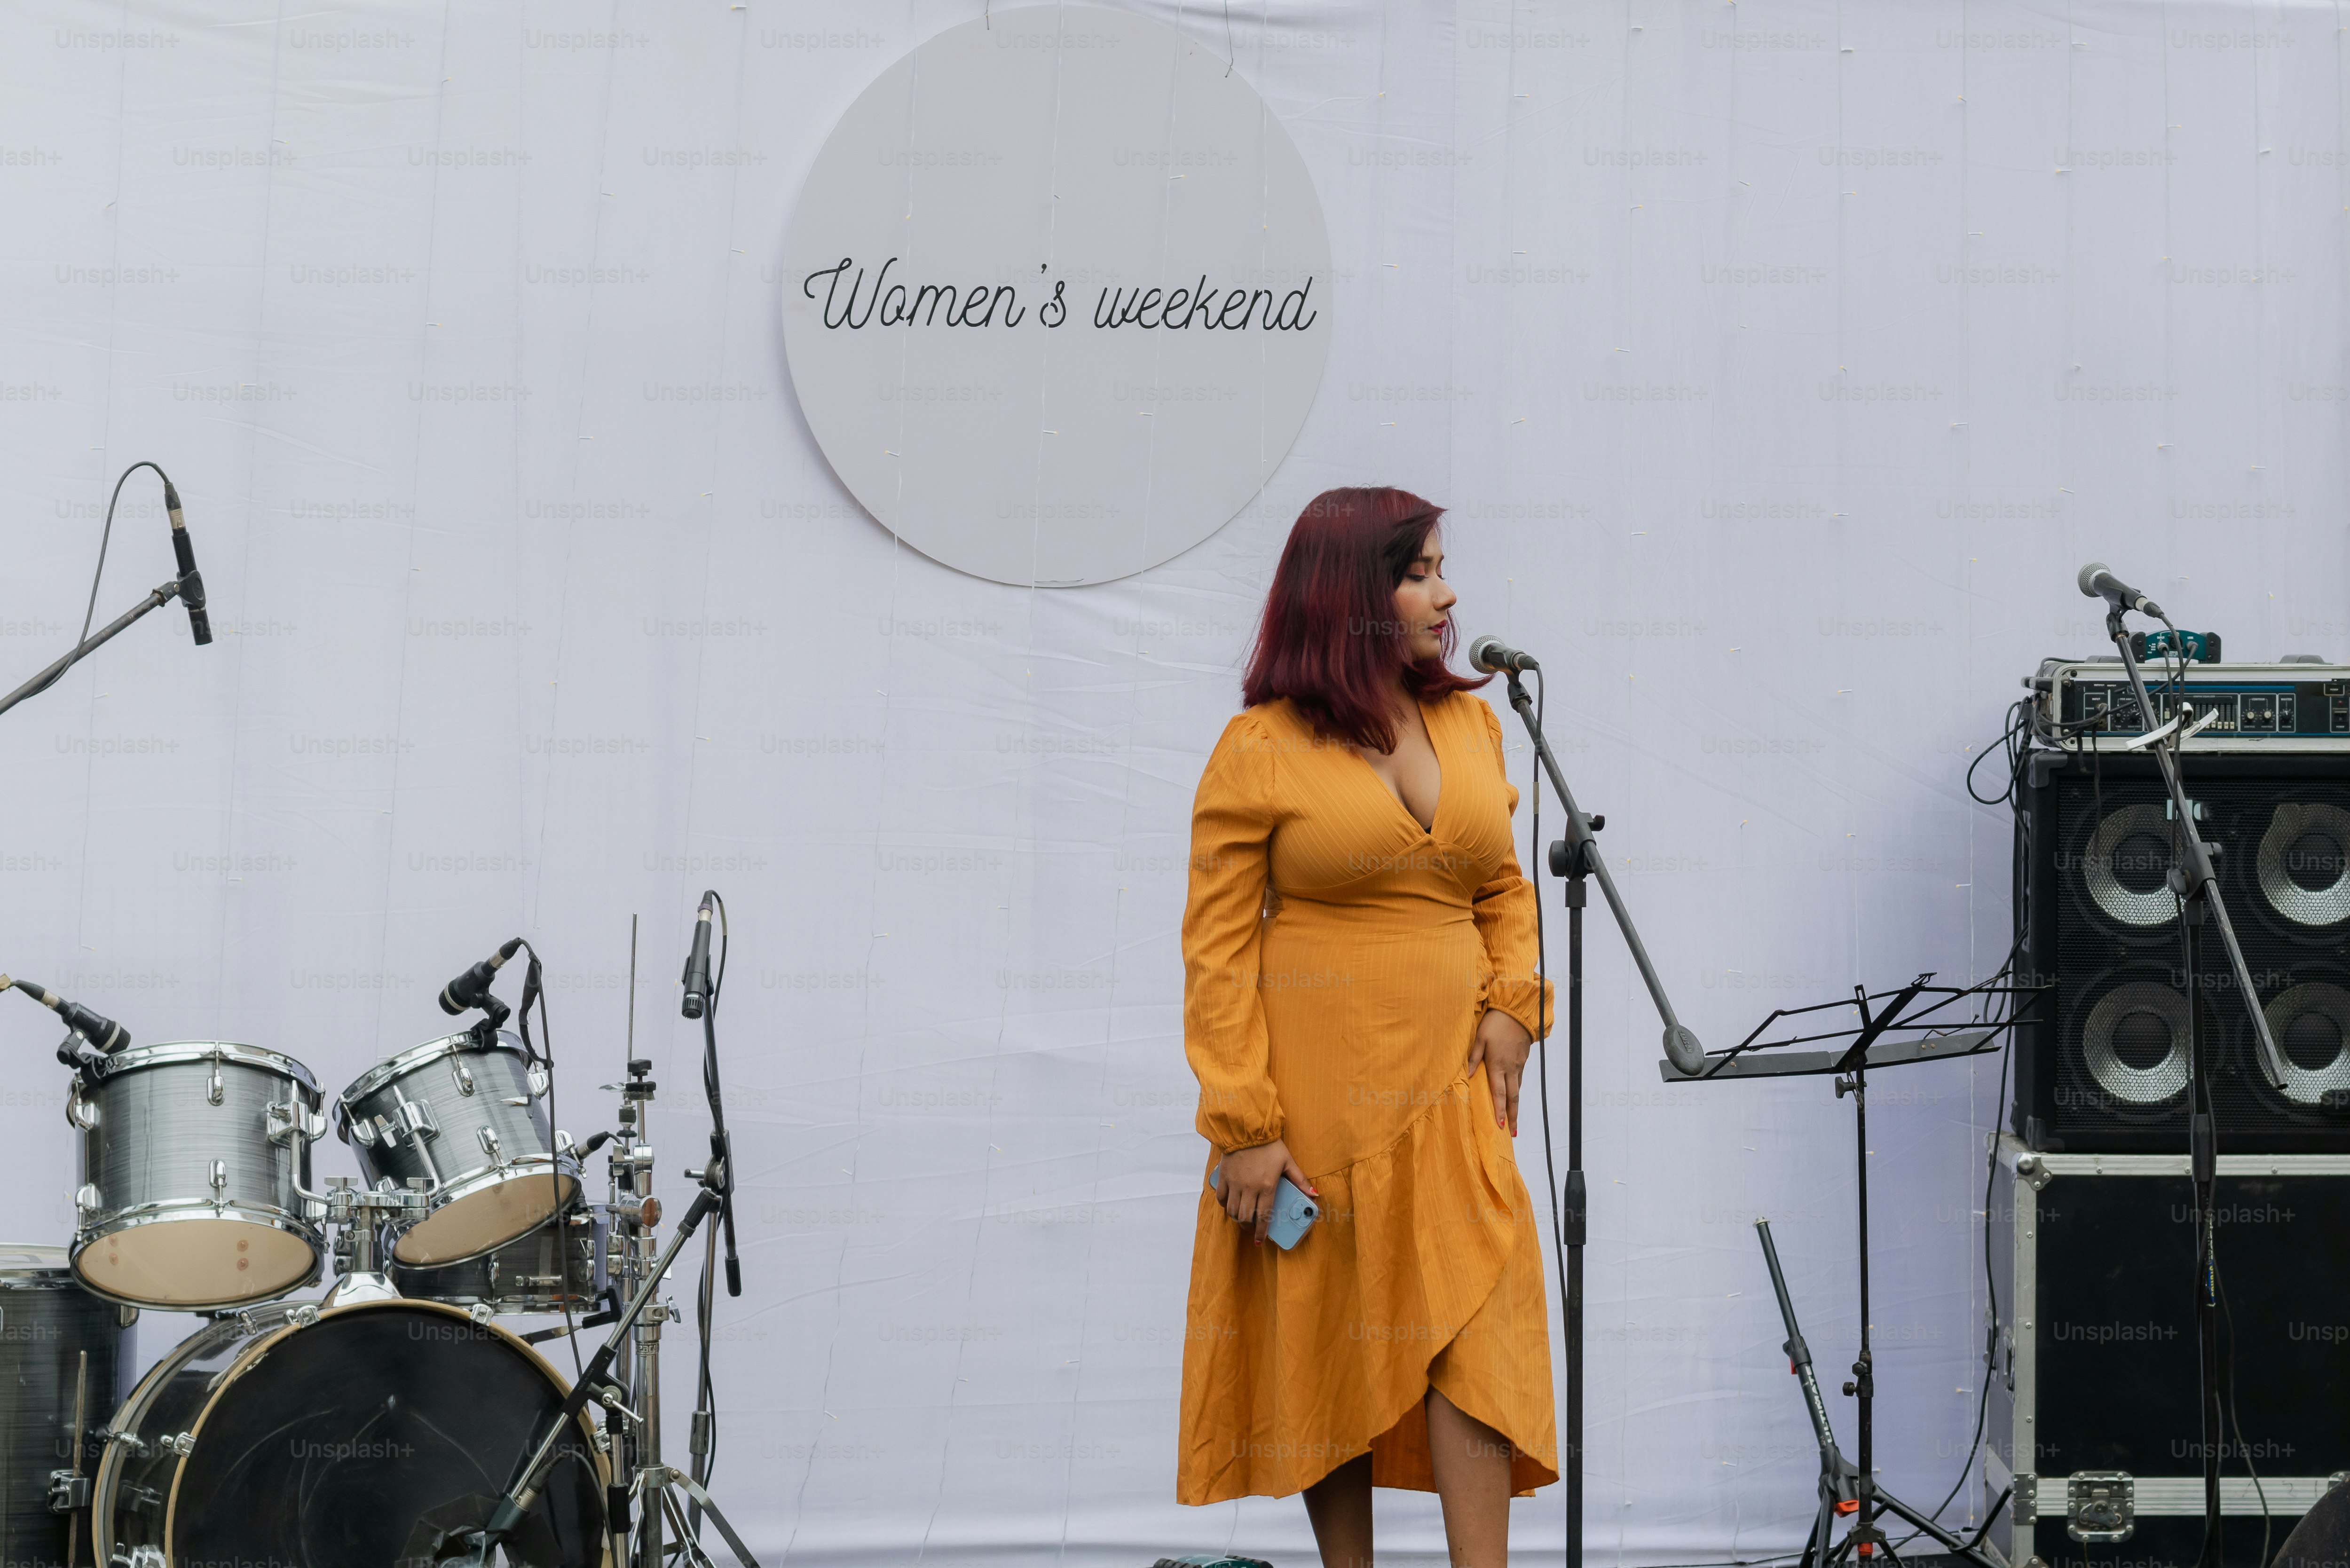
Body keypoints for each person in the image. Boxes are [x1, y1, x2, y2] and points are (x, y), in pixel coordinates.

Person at [1176, 487, 1557, 1568]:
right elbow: (1215, 949)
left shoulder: (1471, 722)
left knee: (1476, 1326)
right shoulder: (1259, 747)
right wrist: (1244, 1121)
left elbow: (1506, 888)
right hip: (1321, 1088)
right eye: (1421, 572)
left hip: (1450, 1081)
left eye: (1442, 567)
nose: (1448, 593)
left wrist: (1514, 1008)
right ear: (1351, 597)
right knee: (1332, 1337)